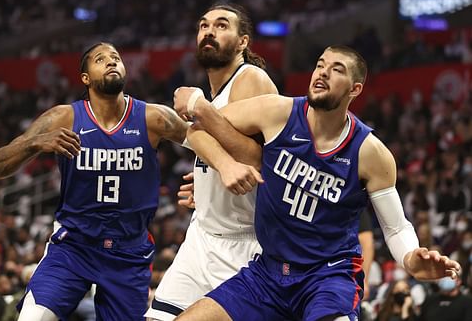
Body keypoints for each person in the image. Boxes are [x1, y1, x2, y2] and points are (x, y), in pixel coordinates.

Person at [172, 45, 461, 321]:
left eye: (336, 70)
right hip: (268, 272)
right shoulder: (277, 112)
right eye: (320, 65)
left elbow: (396, 227)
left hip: (328, 276)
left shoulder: (372, 154)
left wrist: (410, 259)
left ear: (355, 89)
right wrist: (225, 164)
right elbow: (197, 131)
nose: (322, 73)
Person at [0, 42, 188, 321]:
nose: (111, 62)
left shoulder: (154, 117)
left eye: (116, 58)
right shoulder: (64, 117)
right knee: (32, 318)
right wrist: (35, 143)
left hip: (128, 252)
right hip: (73, 247)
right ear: (85, 78)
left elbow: (207, 146)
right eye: (101, 59)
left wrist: (207, 180)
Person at [145, 3, 278, 321]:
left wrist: (201, 112)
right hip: (202, 236)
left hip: (246, 246)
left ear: (243, 42)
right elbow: (218, 148)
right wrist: (207, 188)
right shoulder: (213, 96)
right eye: (203, 26)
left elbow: (263, 162)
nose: (209, 31)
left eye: (221, 25)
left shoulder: (251, 78)